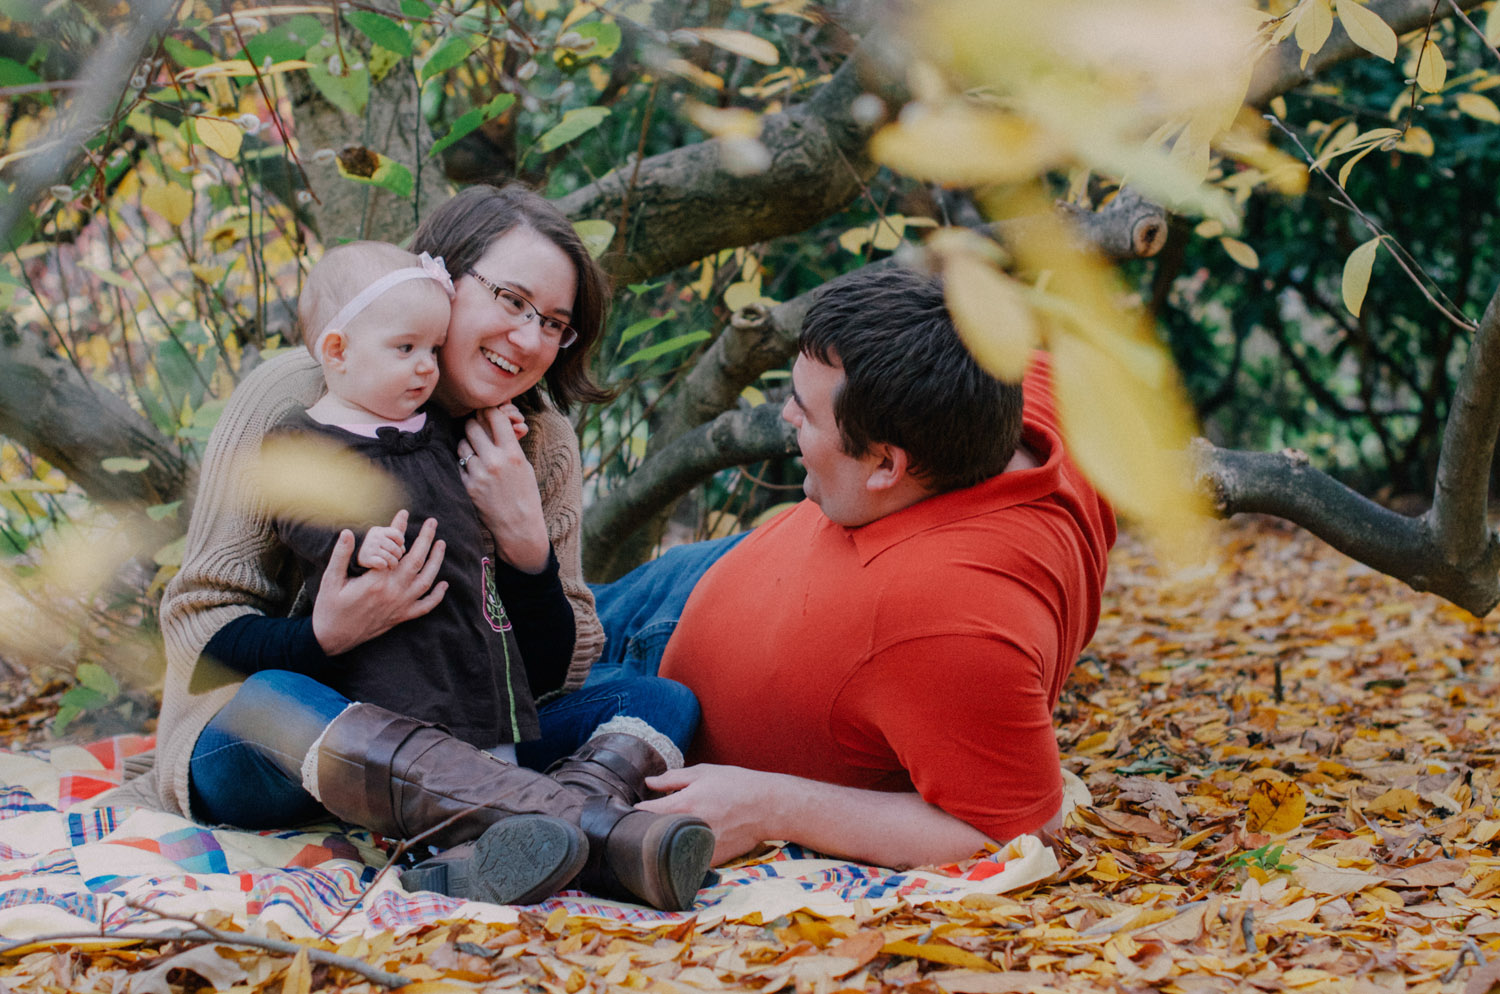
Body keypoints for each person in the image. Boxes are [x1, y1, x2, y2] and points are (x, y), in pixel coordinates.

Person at [153, 184, 713, 912]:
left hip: (469, 734)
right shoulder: (301, 399)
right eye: (511, 300)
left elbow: (553, 681)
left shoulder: (539, 443)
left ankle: (485, 854)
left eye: (553, 322)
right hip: (281, 744)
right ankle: (596, 835)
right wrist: (329, 636)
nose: (529, 337)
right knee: (275, 701)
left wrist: (525, 547)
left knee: (655, 699)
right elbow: (199, 637)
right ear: (444, 280)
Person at [589, 265, 1117, 870]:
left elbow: (1020, 833)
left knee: (481, 685)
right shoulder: (1037, 405)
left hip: (654, 704)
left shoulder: (957, 623)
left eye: (805, 411)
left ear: (887, 467)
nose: (785, 415)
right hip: (709, 573)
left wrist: (772, 806)